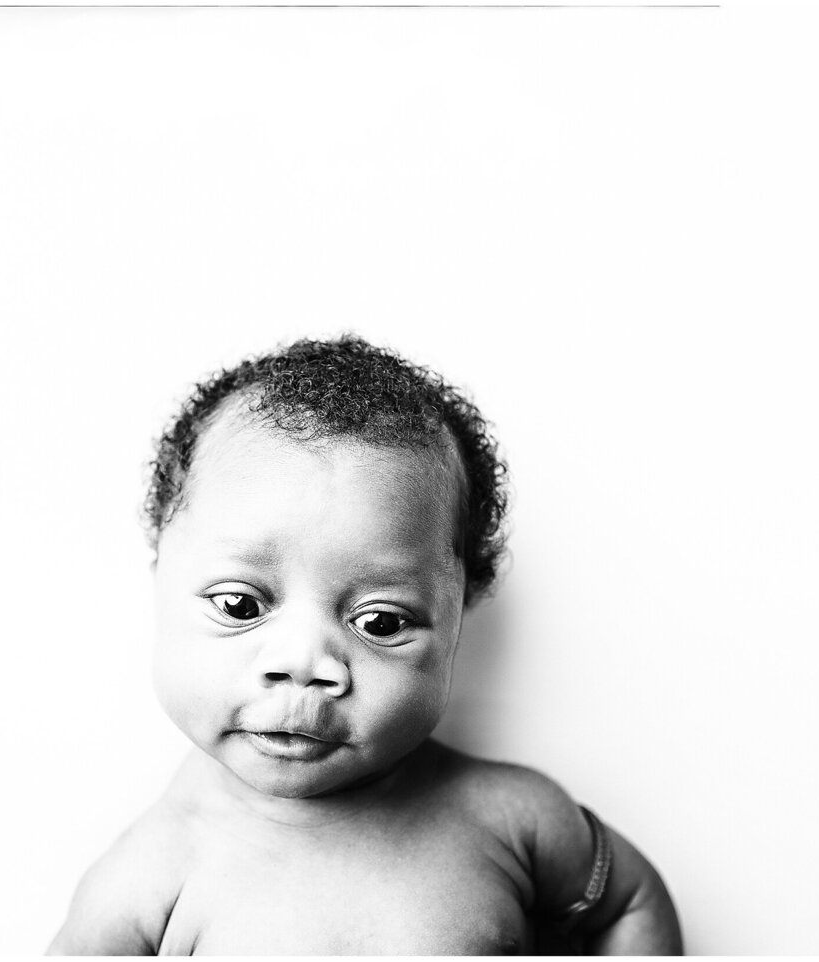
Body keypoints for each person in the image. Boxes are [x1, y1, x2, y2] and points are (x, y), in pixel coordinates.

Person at [48, 335, 682, 955]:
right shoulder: (146, 885)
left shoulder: (511, 818)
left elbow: (629, 902)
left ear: (460, 615)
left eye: (378, 622)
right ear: (159, 578)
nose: (302, 665)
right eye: (241, 606)